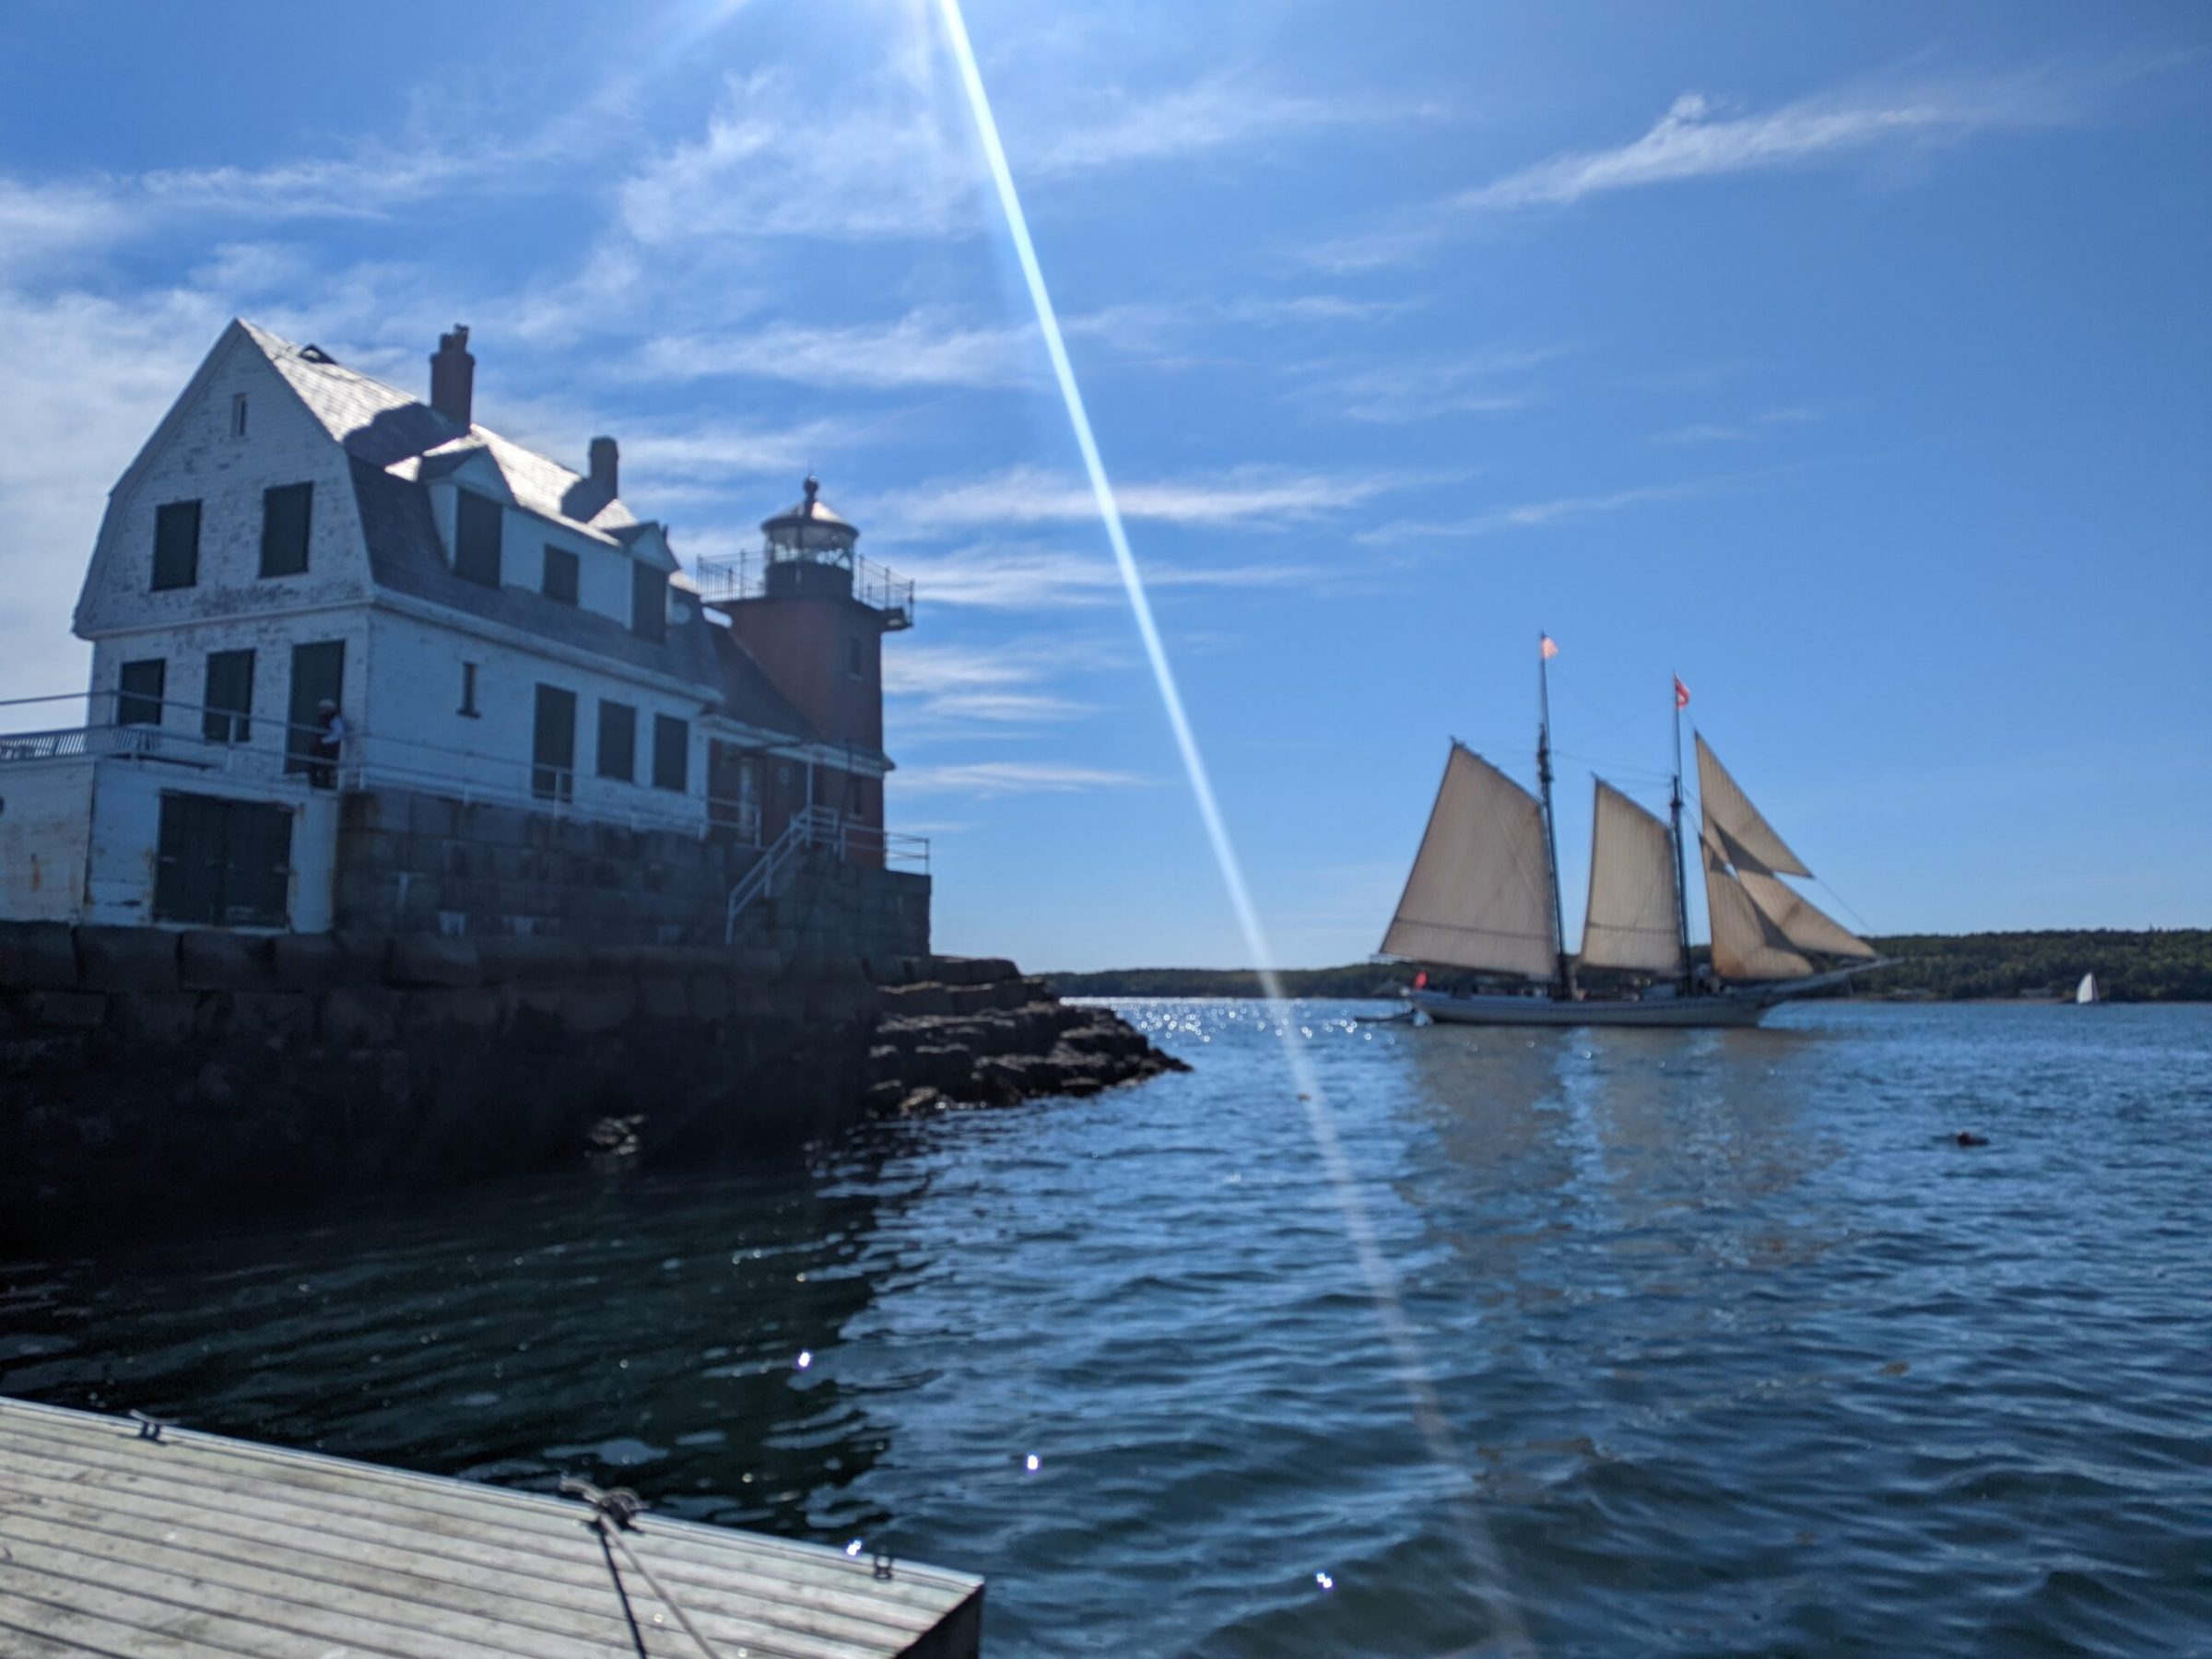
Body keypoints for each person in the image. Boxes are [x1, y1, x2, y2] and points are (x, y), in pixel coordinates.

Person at [309, 698, 346, 789]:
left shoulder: (335, 719)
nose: (321, 710)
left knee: (327, 766)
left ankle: (326, 784)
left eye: (323, 708)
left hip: (329, 747)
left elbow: (338, 734)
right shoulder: (322, 720)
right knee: (312, 763)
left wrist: (324, 740)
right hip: (320, 746)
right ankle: (314, 783)